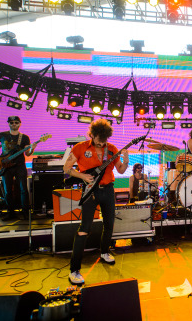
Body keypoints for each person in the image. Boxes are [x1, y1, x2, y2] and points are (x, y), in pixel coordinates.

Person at [63, 119, 129, 285]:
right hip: (90, 190)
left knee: (109, 224)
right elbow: (66, 168)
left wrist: (126, 160)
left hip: (108, 190)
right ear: (92, 134)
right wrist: (83, 176)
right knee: (85, 228)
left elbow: (120, 169)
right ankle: (74, 270)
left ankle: (105, 252)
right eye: (99, 139)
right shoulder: (80, 147)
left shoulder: (112, 149)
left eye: (105, 139)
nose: (102, 142)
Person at [0, 116, 36, 220]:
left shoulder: (24, 137)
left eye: (16, 122)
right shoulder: (1, 135)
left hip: (20, 166)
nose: (14, 124)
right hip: (5, 166)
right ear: (8, 124)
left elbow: (27, 154)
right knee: (8, 191)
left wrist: (32, 149)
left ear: (20, 124)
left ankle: (26, 213)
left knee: (24, 189)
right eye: (11, 122)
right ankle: (11, 213)